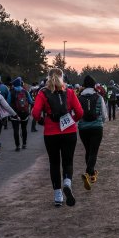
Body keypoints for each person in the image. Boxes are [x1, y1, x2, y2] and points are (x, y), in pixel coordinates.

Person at [32, 68, 83, 207]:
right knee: (68, 161)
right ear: (63, 78)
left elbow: (35, 113)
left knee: (54, 163)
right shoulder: (70, 92)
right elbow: (79, 112)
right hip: (69, 132)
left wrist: (42, 121)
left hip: (51, 133)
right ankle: (67, 182)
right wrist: (72, 119)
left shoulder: (42, 93)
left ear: (48, 78)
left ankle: (58, 195)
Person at [78, 75, 106, 190]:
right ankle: (88, 173)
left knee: (88, 151)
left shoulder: (79, 98)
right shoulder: (99, 97)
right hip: (96, 127)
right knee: (93, 152)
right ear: (94, 85)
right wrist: (101, 122)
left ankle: (91, 175)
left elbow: (76, 114)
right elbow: (104, 115)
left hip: (83, 128)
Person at [8, 77, 34, 151]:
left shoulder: (11, 91)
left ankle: (17, 146)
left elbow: (8, 102)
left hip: (15, 113)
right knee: (24, 128)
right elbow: (31, 101)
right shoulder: (25, 91)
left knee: (16, 130)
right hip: (24, 113)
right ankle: (24, 144)